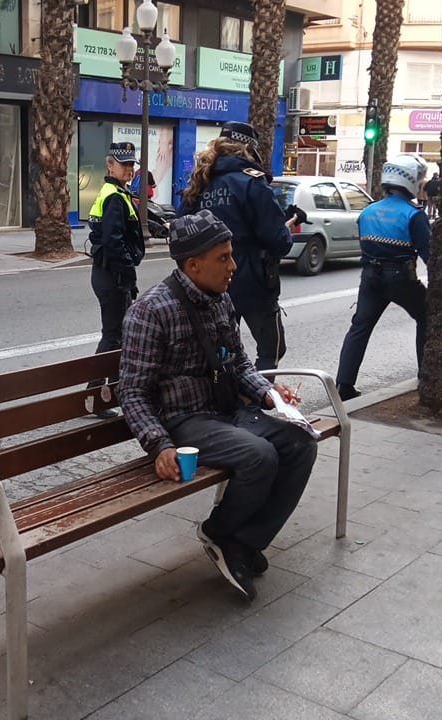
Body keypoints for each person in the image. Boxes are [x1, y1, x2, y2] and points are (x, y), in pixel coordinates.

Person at [118, 210, 319, 601]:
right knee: (259, 455)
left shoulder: (222, 300)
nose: (233, 266)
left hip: (228, 411)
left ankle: (242, 541)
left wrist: (268, 395)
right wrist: (160, 445)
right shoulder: (151, 311)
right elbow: (133, 392)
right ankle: (222, 534)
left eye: (232, 255)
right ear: (193, 265)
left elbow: (240, 363)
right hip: (185, 422)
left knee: (301, 443)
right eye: (223, 258)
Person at [178, 121, 305, 370]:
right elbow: (279, 242)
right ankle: (258, 402)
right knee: (271, 349)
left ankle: (224, 403)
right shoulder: (252, 182)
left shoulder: (199, 182)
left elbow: (181, 233)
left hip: (206, 282)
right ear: (249, 151)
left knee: (219, 352)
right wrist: (286, 228)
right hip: (252, 284)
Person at [334, 154, 431, 402]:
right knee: (428, 317)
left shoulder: (368, 212)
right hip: (401, 279)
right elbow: (430, 254)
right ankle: (426, 375)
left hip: (369, 278)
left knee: (360, 327)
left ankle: (343, 385)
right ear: (410, 182)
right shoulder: (414, 215)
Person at [86, 142, 147, 416]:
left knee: (117, 335)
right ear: (110, 166)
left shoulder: (116, 193)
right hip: (112, 275)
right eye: (124, 164)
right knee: (113, 336)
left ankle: (108, 391)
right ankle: (96, 396)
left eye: (132, 164)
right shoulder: (114, 196)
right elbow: (114, 242)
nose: (130, 169)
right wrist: (128, 274)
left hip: (108, 273)